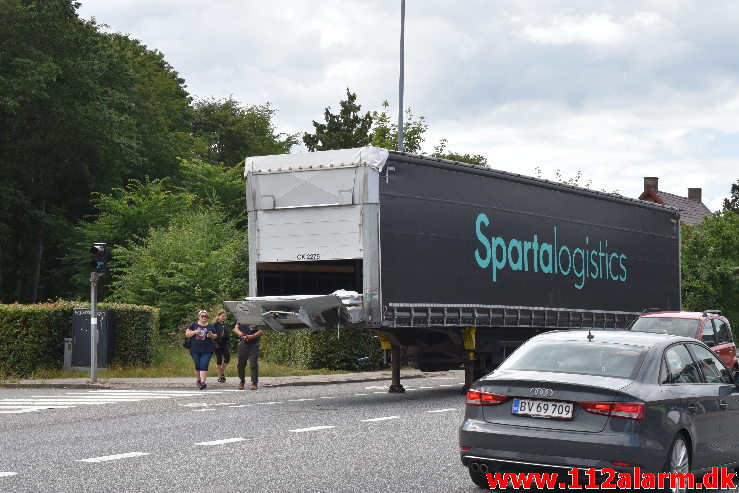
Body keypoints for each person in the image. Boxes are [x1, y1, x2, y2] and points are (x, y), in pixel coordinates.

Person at [185, 309, 218, 390]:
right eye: (202, 316)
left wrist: (211, 335)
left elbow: (215, 335)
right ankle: (198, 380)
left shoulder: (210, 326)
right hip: (194, 349)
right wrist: (195, 332)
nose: (204, 317)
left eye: (205, 316)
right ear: (199, 317)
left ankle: (202, 382)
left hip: (207, 349)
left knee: (204, 364)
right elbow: (187, 334)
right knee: (197, 365)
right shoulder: (193, 325)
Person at [234, 322, 263, 390]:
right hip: (243, 343)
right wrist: (241, 334)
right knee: (241, 364)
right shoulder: (241, 319)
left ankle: (254, 383)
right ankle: (242, 381)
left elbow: (261, 331)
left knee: (253, 364)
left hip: (254, 344)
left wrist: (252, 336)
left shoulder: (256, 319)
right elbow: (235, 328)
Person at [212, 309, 231, 383]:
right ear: (218, 316)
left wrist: (229, 343)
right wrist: (215, 344)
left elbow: (227, 335)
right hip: (217, 343)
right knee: (219, 359)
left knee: (227, 358)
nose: (224, 317)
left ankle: (221, 372)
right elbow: (212, 335)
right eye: (222, 316)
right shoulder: (215, 324)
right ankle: (220, 376)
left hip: (224, 343)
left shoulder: (225, 324)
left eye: (225, 316)